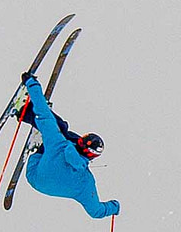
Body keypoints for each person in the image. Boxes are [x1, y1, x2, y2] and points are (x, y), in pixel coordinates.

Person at [17, 72, 119, 219]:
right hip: (36, 182)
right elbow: (96, 212)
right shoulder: (86, 182)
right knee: (58, 131)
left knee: (60, 127)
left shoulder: (58, 144)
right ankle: (38, 128)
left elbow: (44, 114)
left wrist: (31, 84)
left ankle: (23, 110)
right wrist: (114, 207)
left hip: (36, 168)